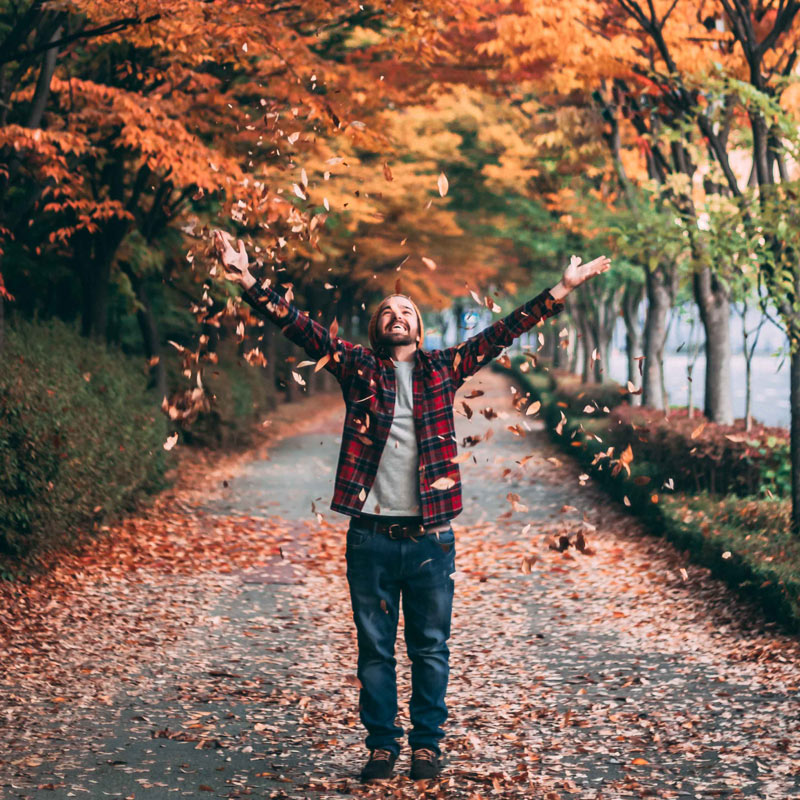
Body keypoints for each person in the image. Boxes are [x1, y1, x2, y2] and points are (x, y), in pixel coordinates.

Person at [213, 230, 610, 782]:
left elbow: (503, 331)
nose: (396, 315)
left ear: (419, 330)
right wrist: (248, 279)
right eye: (387, 311)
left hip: (429, 537)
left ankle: (426, 745)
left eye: (406, 310)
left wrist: (560, 290)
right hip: (370, 537)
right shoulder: (355, 366)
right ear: (377, 328)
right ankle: (381, 746)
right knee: (374, 653)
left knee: (430, 651)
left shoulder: (441, 369)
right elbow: (299, 325)